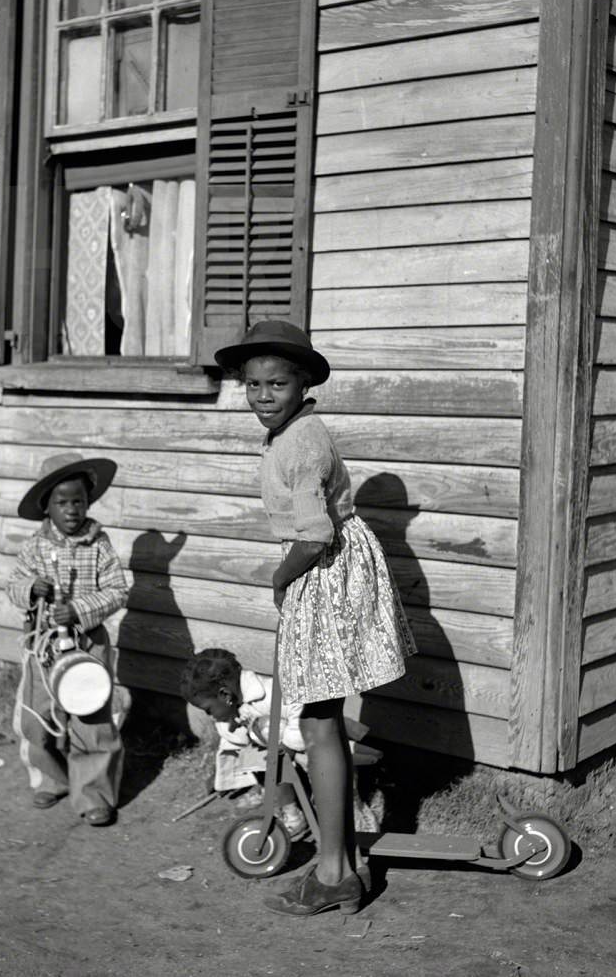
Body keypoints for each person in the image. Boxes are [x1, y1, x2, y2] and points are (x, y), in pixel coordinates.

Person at [214, 321, 417, 917]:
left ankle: (334, 873)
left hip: (322, 570)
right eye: (252, 385)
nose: (262, 395)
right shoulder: (290, 434)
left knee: (320, 720)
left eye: (276, 383)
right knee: (320, 715)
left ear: (303, 385)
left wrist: (280, 578)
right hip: (323, 569)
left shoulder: (301, 442)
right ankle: (341, 863)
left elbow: (316, 533)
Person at [5, 452, 128, 827]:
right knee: (35, 720)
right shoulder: (35, 546)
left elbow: (117, 592)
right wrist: (30, 588)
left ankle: (93, 795)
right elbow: (12, 585)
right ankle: (51, 778)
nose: (72, 510)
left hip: (87, 646)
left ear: (88, 502)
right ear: (47, 507)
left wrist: (78, 610)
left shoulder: (100, 545)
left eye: (79, 501)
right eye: (62, 502)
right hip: (43, 648)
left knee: (92, 720)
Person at [180, 648, 309, 837]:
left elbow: (300, 708)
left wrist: (289, 746)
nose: (210, 716)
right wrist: (219, 776)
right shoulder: (234, 706)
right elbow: (233, 744)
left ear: (225, 695)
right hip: (272, 744)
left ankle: (293, 815)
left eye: (208, 710)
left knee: (274, 762)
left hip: (304, 744)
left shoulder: (269, 693)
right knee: (252, 756)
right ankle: (267, 789)